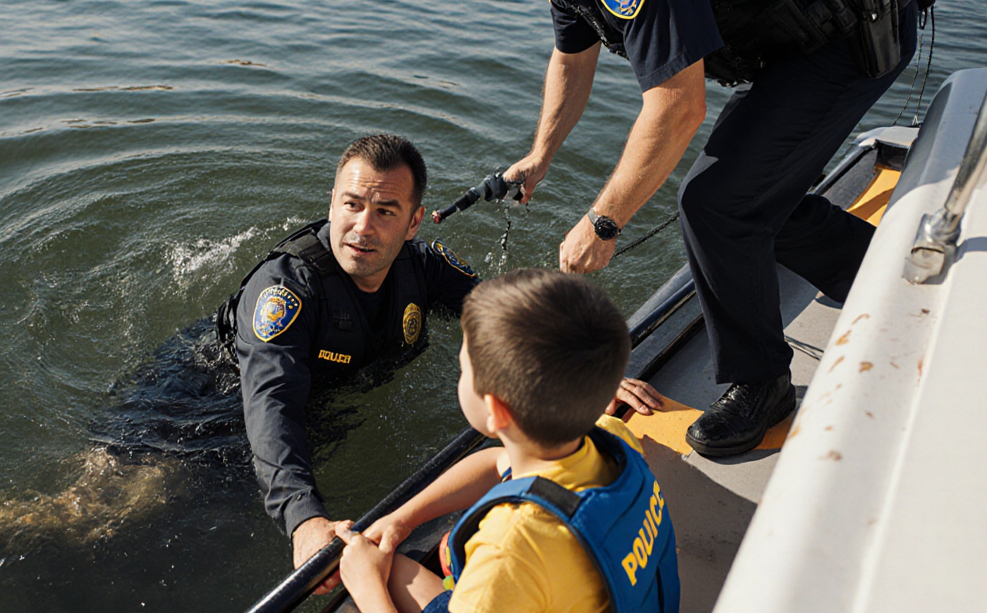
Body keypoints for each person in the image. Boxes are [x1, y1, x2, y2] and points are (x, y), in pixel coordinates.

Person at [453, 0, 928, 456]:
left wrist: (604, 221)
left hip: (847, 26)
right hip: (787, 38)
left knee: (715, 204)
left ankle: (762, 383)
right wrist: (539, 154)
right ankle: (879, 273)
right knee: (751, 196)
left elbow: (678, 106)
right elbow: (572, 56)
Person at [219, 134, 664, 575]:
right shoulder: (286, 291)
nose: (363, 227)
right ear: (332, 202)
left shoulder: (425, 268)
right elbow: (270, 404)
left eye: (385, 212)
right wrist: (304, 519)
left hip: (328, 403)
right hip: (207, 403)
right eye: (351, 205)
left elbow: (506, 317)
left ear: (413, 223)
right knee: (155, 486)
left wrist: (583, 374)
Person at [267, 268, 679, 613]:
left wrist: (368, 592)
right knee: (396, 566)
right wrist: (402, 519)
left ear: (496, 410)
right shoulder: (612, 444)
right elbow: (497, 461)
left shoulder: (513, 545)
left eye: (464, 370)